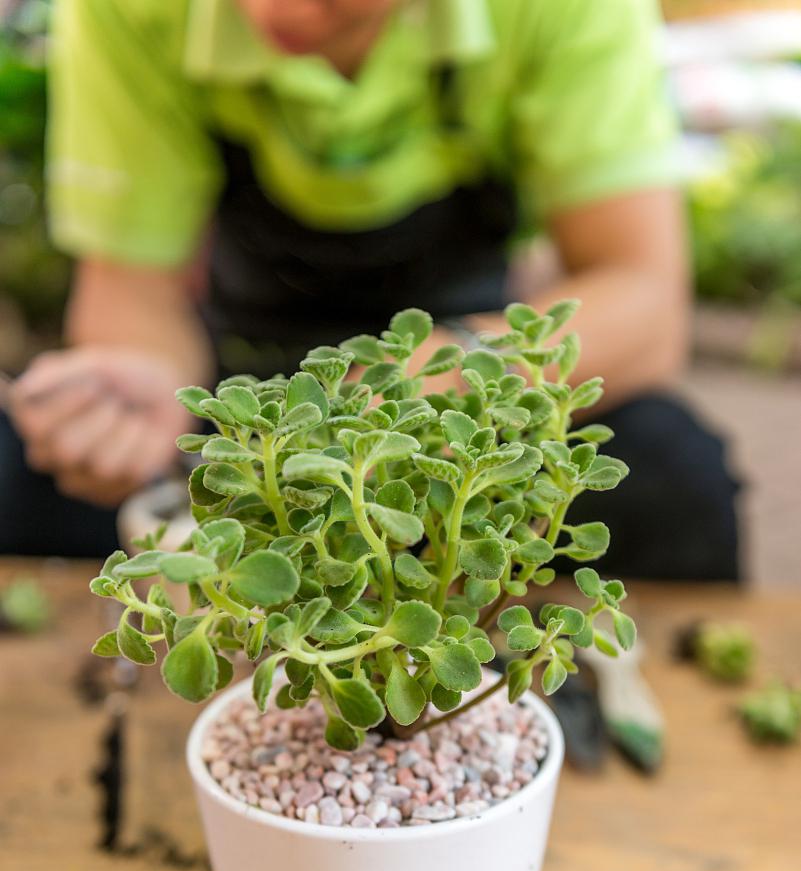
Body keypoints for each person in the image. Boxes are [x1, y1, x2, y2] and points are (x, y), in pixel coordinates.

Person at [3, 0, 740, 577]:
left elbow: (642, 299)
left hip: (470, 390)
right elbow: (134, 293)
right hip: (250, 396)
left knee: (674, 480)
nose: (272, 14)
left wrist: (413, 397)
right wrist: (145, 391)